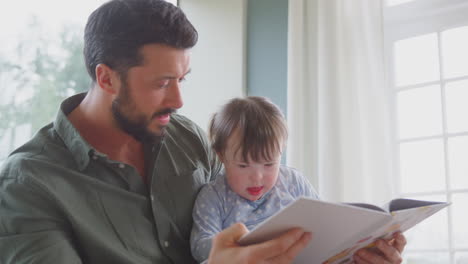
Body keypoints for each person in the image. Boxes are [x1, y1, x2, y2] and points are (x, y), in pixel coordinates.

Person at [0, 0, 406, 263]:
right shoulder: (28, 184)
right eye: (161, 83)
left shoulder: (186, 138)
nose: (177, 100)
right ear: (106, 78)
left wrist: (348, 252)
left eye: (183, 80)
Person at [190, 96, 320, 262]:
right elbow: (200, 247)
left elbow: (320, 219)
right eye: (243, 166)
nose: (257, 178)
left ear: (282, 150)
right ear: (221, 155)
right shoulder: (213, 196)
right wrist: (243, 245)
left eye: (269, 164)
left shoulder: (294, 182)